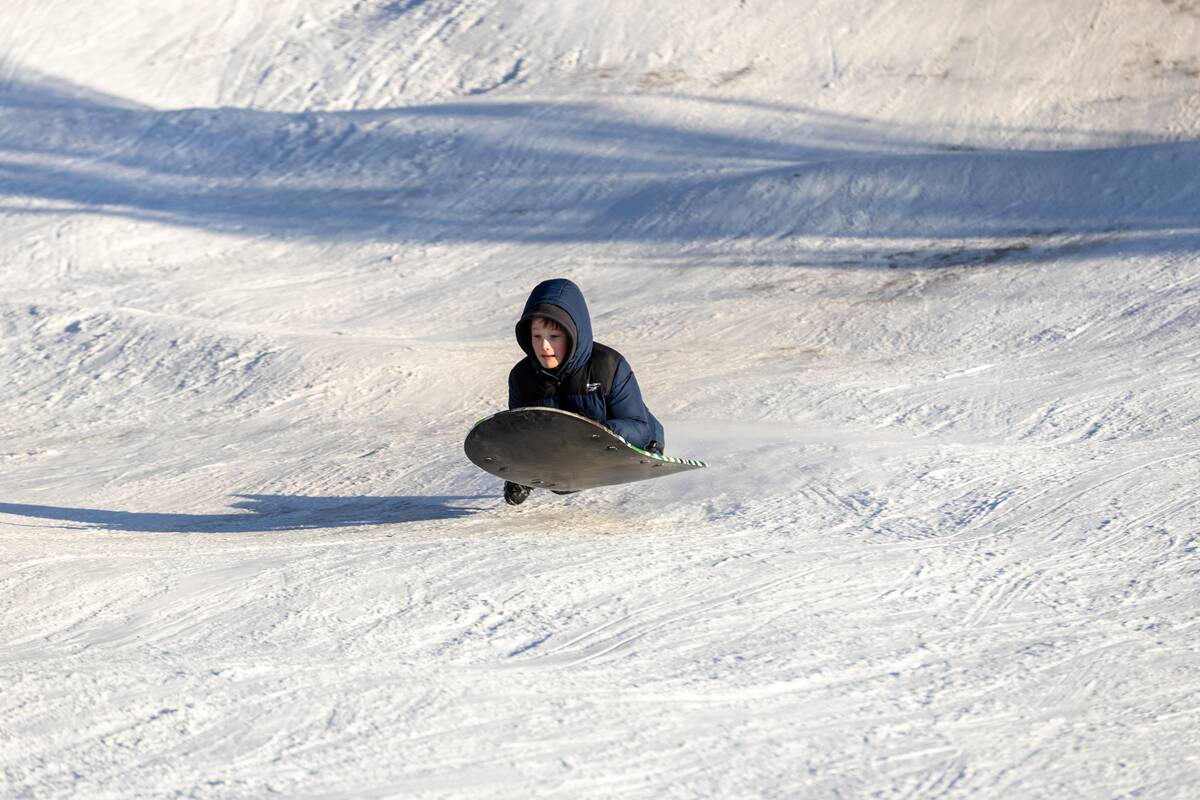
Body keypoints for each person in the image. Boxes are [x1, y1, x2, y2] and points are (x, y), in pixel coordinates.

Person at [504, 278, 664, 505]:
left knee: (642, 432)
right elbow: (525, 434)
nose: (544, 346)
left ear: (572, 335)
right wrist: (519, 475)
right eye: (537, 336)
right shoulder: (522, 378)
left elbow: (639, 426)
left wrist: (601, 431)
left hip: (629, 442)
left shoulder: (608, 366)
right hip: (569, 456)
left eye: (554, 337)